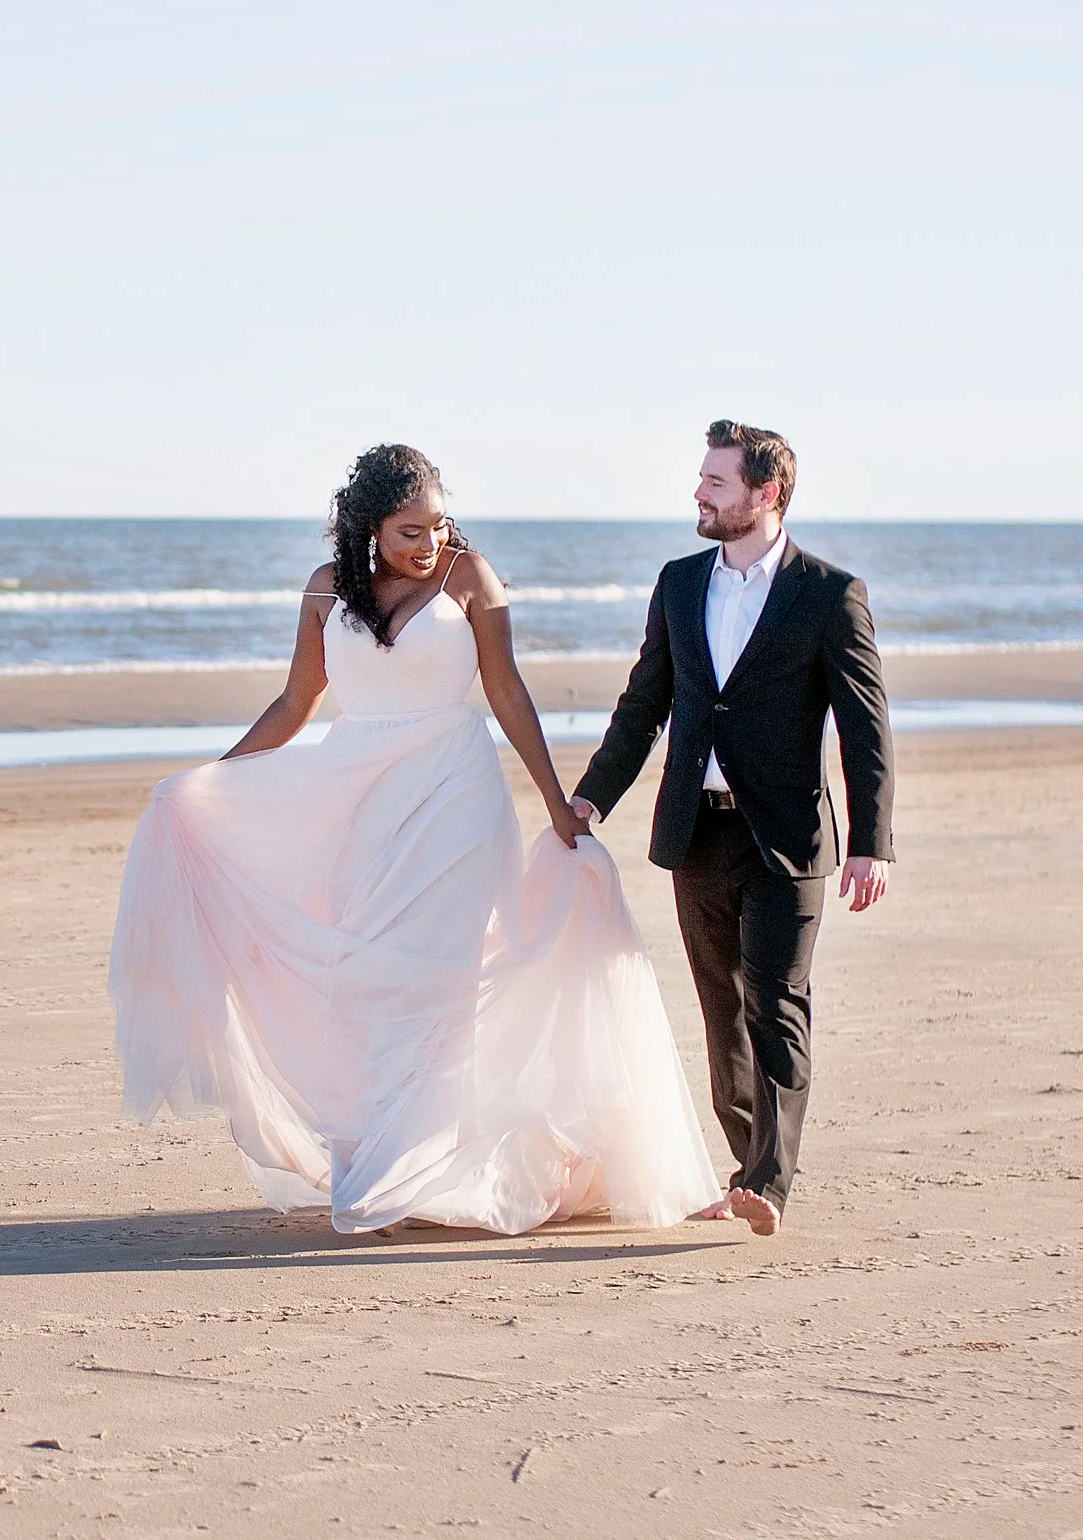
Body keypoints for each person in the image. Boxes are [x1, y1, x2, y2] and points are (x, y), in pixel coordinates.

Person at [108, 444, 719, 1236]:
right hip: (359, 797)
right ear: (367, 527)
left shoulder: (469, 578)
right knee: (364, 977)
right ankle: (376, 1155)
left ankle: (408, 1170)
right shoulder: (327, 591)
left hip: (456, 795)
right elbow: (298, 701)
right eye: (407, 531)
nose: (427, 542)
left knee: (435, 976)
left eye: (434, 524)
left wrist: (553, 802)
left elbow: (505, 690)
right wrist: (214, 783)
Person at [571, 421, 894, 1237]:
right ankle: (746, 1167)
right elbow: (645, 702)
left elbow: (864, 726)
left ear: (765, 494)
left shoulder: (827, 594)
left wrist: (870, 842)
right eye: (702, 479)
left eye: (715, 482)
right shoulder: (680, 583)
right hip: (696, 834)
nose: (698, 494)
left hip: (786, 838)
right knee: (723, 1010)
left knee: (775, 1002)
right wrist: (589, 800)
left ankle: (768, 1185)